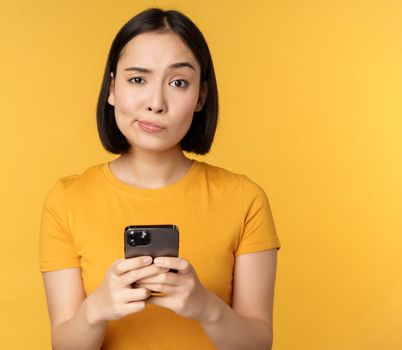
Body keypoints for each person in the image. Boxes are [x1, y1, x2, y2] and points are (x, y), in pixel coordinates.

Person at [38, 8, 280, 350]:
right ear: (111, 89)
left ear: (201, 97)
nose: (156, 102)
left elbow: (258, 344)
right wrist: (96, 310)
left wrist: (206, 307)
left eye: (178, 82)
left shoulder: (244, 198)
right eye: (138, 79)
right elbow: (64, 345)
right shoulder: (67, 198)